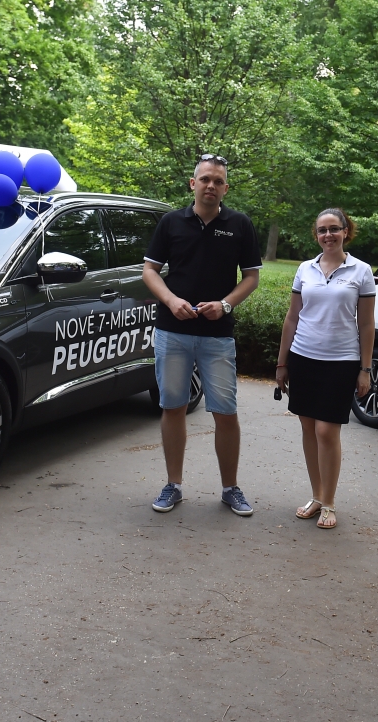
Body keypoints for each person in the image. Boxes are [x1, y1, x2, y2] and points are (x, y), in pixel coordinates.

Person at [142, 155, 262, 516]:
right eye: (205, 179)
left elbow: (252, 278)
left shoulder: (239, 224)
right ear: (193, 184)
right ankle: (173, 485)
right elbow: (149, 271)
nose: (211, 185)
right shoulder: (170, 222)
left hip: (217, 336)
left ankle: (230, 488)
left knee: (225, 412)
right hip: (172, 331)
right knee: (173, 407)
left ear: (226, 188)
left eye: (218, 181)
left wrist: (224, 305)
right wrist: (170, 300)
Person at [275, 208, 375, 530]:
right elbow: (292, 317)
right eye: (322, 230)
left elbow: (367, 323)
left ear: (346, 231)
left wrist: (365, 369)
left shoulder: (361, 271)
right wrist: (282, 363)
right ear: (316, 235)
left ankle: (329, 502)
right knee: (308, 428)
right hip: (303, 358)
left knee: (326, 431)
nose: (328, 235)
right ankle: (317, 496)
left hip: (341, 362)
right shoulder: (305, 269)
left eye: (334, 229)